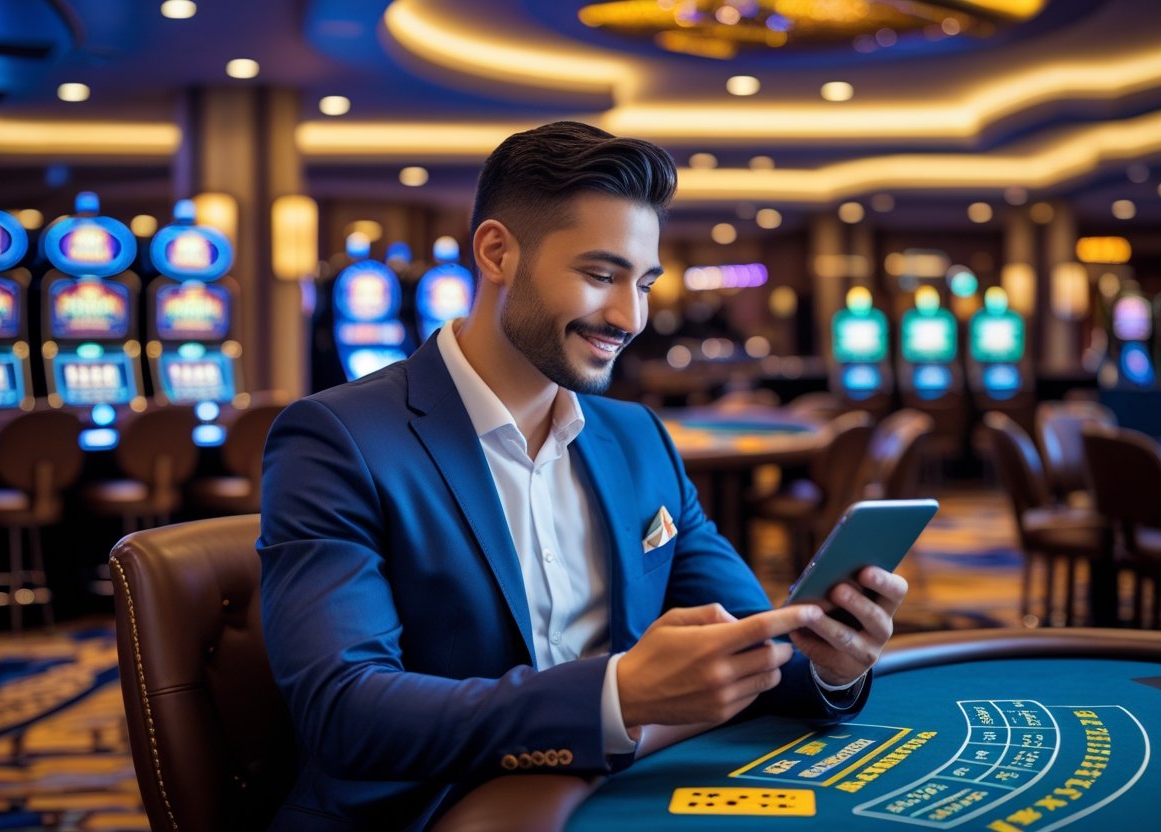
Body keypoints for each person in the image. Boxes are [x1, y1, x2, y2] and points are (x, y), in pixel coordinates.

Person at [259, 121, 908, 831]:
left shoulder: (637, 439)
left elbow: (748, 646)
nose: (629, 317)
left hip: (616, 799)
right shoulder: (337, 437)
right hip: (426, 812)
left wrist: (830, 661)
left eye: (645, 282)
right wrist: (615, 695)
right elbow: (346, 713)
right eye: (600, 275)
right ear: (497, 252)